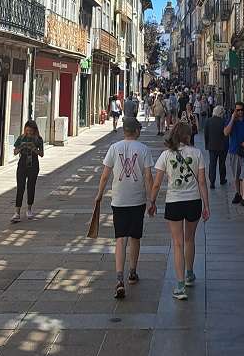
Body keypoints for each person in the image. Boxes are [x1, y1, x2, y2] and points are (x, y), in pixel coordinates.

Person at [94, 117, 154, 299]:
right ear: (136, 131)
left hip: (118, 199)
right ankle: (132, 272)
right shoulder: (143, 149)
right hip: (137, 199)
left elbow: (105, 176)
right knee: (135, 237)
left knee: (120, 238)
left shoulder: (114, 148)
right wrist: (152, 200)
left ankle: (119, 277)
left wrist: (99, 194)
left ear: (123, 131)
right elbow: (148, 177)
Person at [149, 121, 210, 300]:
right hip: (193, 202)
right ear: (187, 135)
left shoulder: (166, 155)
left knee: (177, 243)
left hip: (174, 202)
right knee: (190, 239)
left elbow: (157, 183)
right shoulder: (197, 153)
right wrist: (206, 205)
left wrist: (151, 202)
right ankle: (190, 273)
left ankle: (180, 285)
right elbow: (202, 182)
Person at [224, 102, 244, 209]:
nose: (240, 112)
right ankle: (238, 194)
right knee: (236, 176)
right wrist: (233, 119)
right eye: (238, 110)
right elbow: (226, 132)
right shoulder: (231, 121)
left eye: (242, 109)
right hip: (234, 151)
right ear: (235, 111)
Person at [11, 120, 44, 223]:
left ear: (35, 130)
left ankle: (29, 209)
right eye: (27, 130)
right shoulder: (21, 138)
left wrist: (34, 148)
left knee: (31, 187)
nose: (29, 132)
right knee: (20, 187)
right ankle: (17, 212)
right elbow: (15, 152)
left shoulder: (38, 139)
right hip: (22, 165)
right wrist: (21, 146)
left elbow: (41, 154)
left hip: (33, 165)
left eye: (31, 131)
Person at [204, 104, 228, 188]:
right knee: (222, 163)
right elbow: (226, 134)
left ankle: (212, 182)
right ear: (221, 113)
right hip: (223, 146)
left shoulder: (208, 121)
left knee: (212, 164)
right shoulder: (224, 121)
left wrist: (207, 145)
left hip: (212, 146)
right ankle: (222, 179)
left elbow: (206, 134)